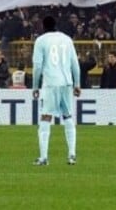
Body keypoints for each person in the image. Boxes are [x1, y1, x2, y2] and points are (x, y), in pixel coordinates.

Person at [31, 15, 81, 166]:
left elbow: (38, 66)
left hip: (51, 83)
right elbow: (75, 64)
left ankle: (44, 157)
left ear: (43, 26)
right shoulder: (67, 39)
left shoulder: (40, 41)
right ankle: (72, 155)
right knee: (68, 116)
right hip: (67, 83)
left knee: (46, 117)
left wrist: (35, 86)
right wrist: (77, 83)